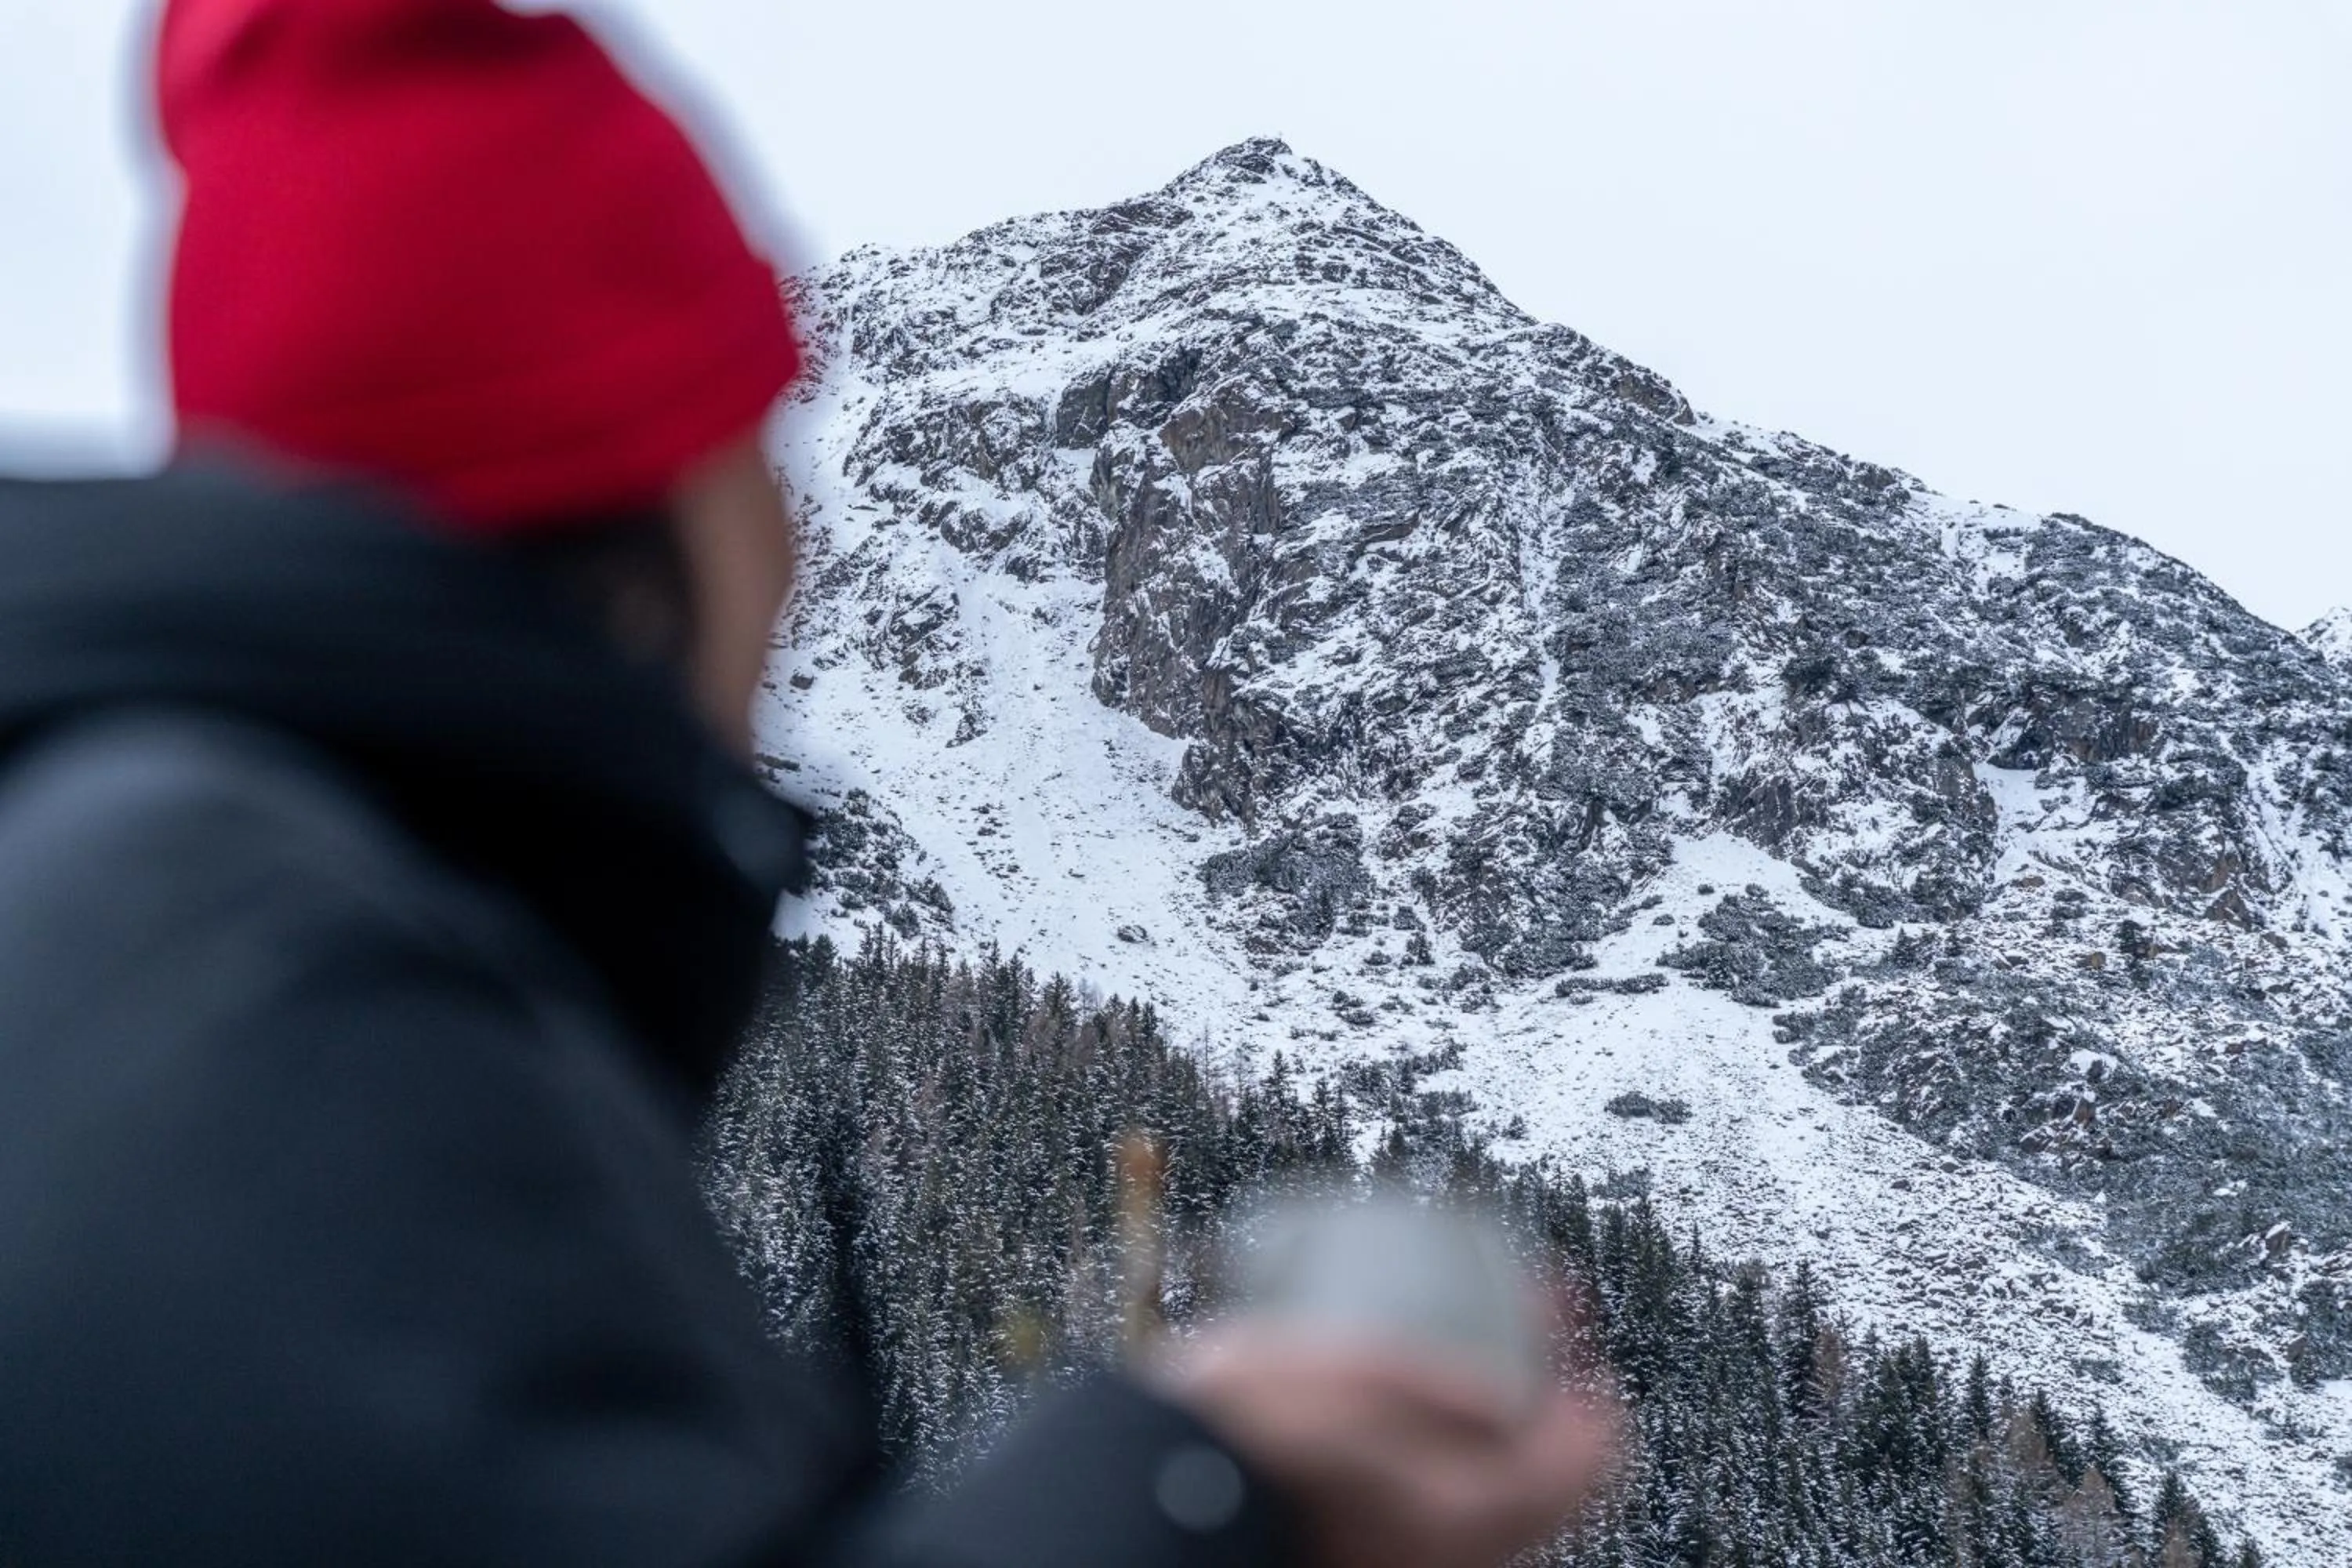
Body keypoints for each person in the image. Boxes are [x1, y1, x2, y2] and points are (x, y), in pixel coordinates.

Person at [0, 2, 1616, 1564]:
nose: (807, 545)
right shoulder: (264, 977)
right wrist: (1195, 1489)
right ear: (644, 499)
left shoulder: (191, 906)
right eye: (761, 445)